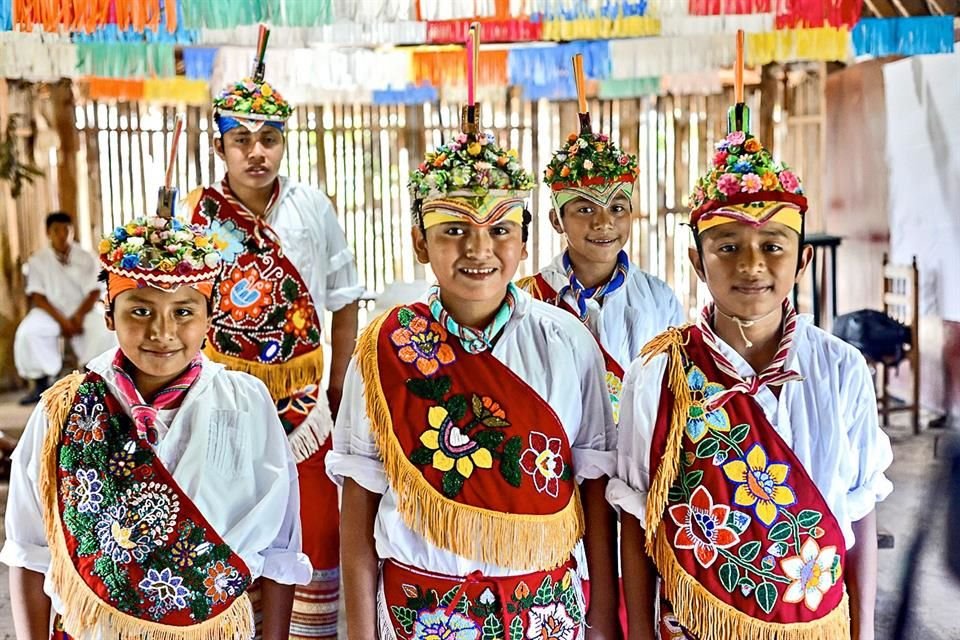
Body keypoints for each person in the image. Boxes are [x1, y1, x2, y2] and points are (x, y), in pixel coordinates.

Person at [327, 115, 621, 639]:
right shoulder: (382, 349)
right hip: (420, 615)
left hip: (546, 615)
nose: (479, 250)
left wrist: (600, 623)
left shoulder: (567, 342)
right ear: (420, 243)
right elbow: (359, 499)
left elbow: (593, 488)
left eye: (500, 230)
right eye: (454, 230)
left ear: (526, 241)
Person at [608, 118, 894, 639]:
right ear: (697, 261)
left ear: (803, 259)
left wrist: (864, 631)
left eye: (773, 246)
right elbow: (634, 514)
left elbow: (860, 512)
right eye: (728, 246)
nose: (751, 265)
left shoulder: (841, 368)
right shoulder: (656, 373)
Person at [1, 213, 311, 640]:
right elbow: (29, 552)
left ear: (210, 316)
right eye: (140, 310)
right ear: (108, 315)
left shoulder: (247, 404)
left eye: (184, 311)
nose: (163, 331)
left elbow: (279, 548)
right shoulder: (64, 410)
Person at [188, 66, 362, 639]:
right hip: (220, 400)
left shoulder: (313, 207)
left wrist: (337, 385)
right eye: (242, 139)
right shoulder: (196, 217)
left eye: (268, 139)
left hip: (305, 405)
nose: (256, 152)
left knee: (316, 523)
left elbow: (343, 299)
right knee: (226, 517)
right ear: (220, 145)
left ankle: (312, 632)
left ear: (284, 142)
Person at [519, 117, 683, 424]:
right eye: (585, 209)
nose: (604, 222)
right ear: (557, 221)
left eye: (617, 208)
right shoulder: (530, 299)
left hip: (637, 461)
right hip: (557, 461)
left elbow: (676, 390)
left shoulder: (659, 299)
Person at [14, 211, 116, 404]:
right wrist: (62, 320)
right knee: (28, 331)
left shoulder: (87, 257)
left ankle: (93, 378)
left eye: (66, 230)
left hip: (83, 310)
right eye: (56, 230)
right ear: (48, 233)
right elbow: (37, 295)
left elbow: (95, 291)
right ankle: (41, 383)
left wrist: (77, 317)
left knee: (105, 327)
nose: (62, 235)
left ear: (72, 231)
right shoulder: (38, 260)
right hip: (51, 312)